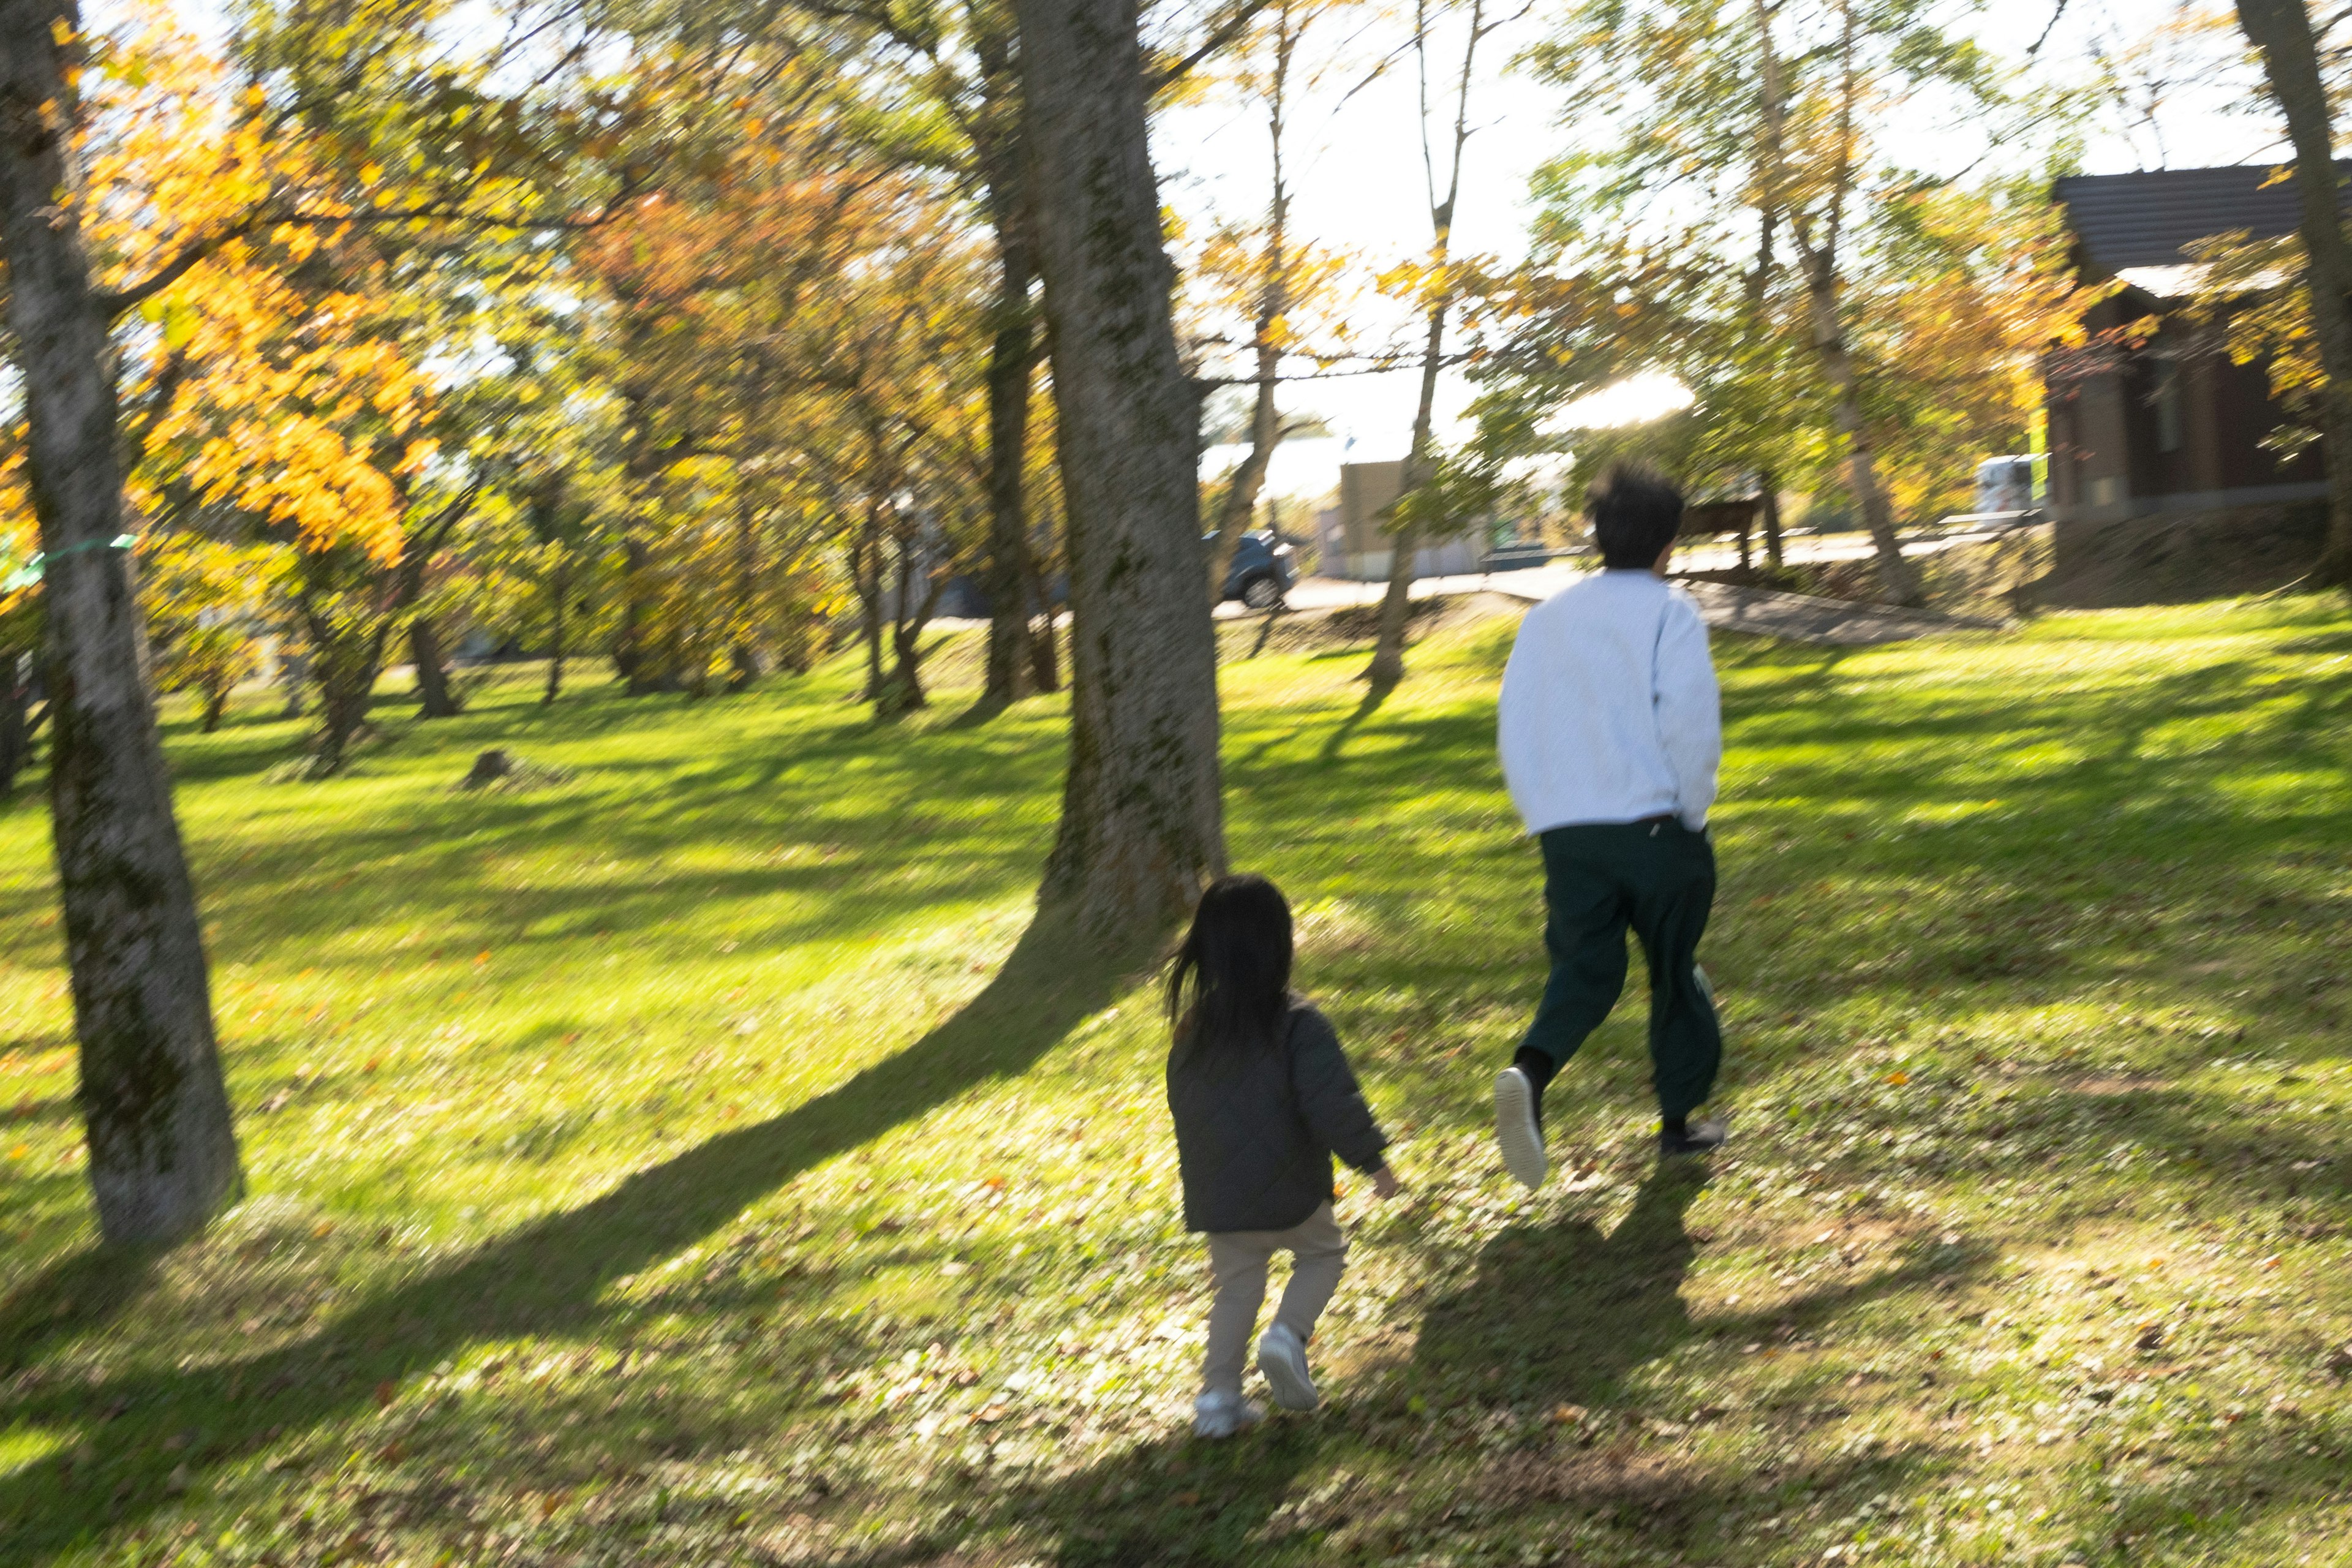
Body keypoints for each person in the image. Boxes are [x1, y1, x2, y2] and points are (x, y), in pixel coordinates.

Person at [1491, 462, 1729, 1188]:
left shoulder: (1546, 618)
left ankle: (1529, 1072)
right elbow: (1689, 724)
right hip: (1656, 826)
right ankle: (1679, 1122)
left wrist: (1543, 815)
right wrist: (1692, 812)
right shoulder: (1670, 612)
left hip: (1567, 830)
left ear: (1595, 536)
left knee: (1585, 968)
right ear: (1669, 545)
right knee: (1672, 968)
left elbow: (1516, 724)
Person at [1164, 873, 1401, 1439]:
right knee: (1323, 1256)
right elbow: (1332, 1102)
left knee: (1236, 1290)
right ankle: (1287, 1337)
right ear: (1281, 945)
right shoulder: (1298, 1023)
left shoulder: (1193, 1032)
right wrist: (1374, 1163)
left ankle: (1217, 1402)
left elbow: (1186, 1111)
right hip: (1292, 1190)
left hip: (1221, 1201)